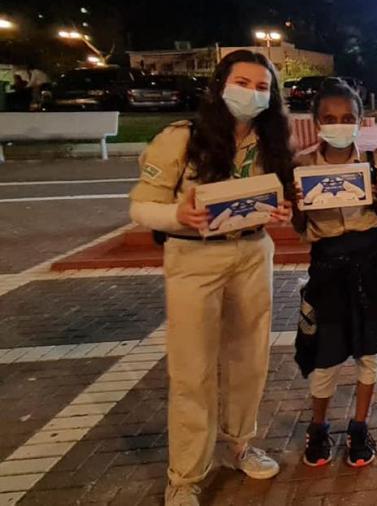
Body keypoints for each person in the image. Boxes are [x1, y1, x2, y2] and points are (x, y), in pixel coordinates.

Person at [128, 50, 294, 506]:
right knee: (193, 369)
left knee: (249, 359)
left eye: (262, 87)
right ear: (220, 85)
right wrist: (176, 215)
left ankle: (239, 443)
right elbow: (140, 206)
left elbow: (278, 195)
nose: (252, 94)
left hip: (252, 253)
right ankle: (185, 475)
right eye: (243, 83)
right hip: (194, 257)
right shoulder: (183, 138)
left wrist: (281, 211)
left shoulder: (271, 141)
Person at [291, 78, 377, 469]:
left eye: (348, 117)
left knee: (368, 353)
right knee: (326, 356)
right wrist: (298, 206)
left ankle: (359, 426)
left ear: (360, 119)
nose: (339, 124)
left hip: (370, 263)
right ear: (317, 122)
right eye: (330, 118)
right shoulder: (303, 167)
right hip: (328, 268)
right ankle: (318, 427)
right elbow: (300, 228)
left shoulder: (373, 162)